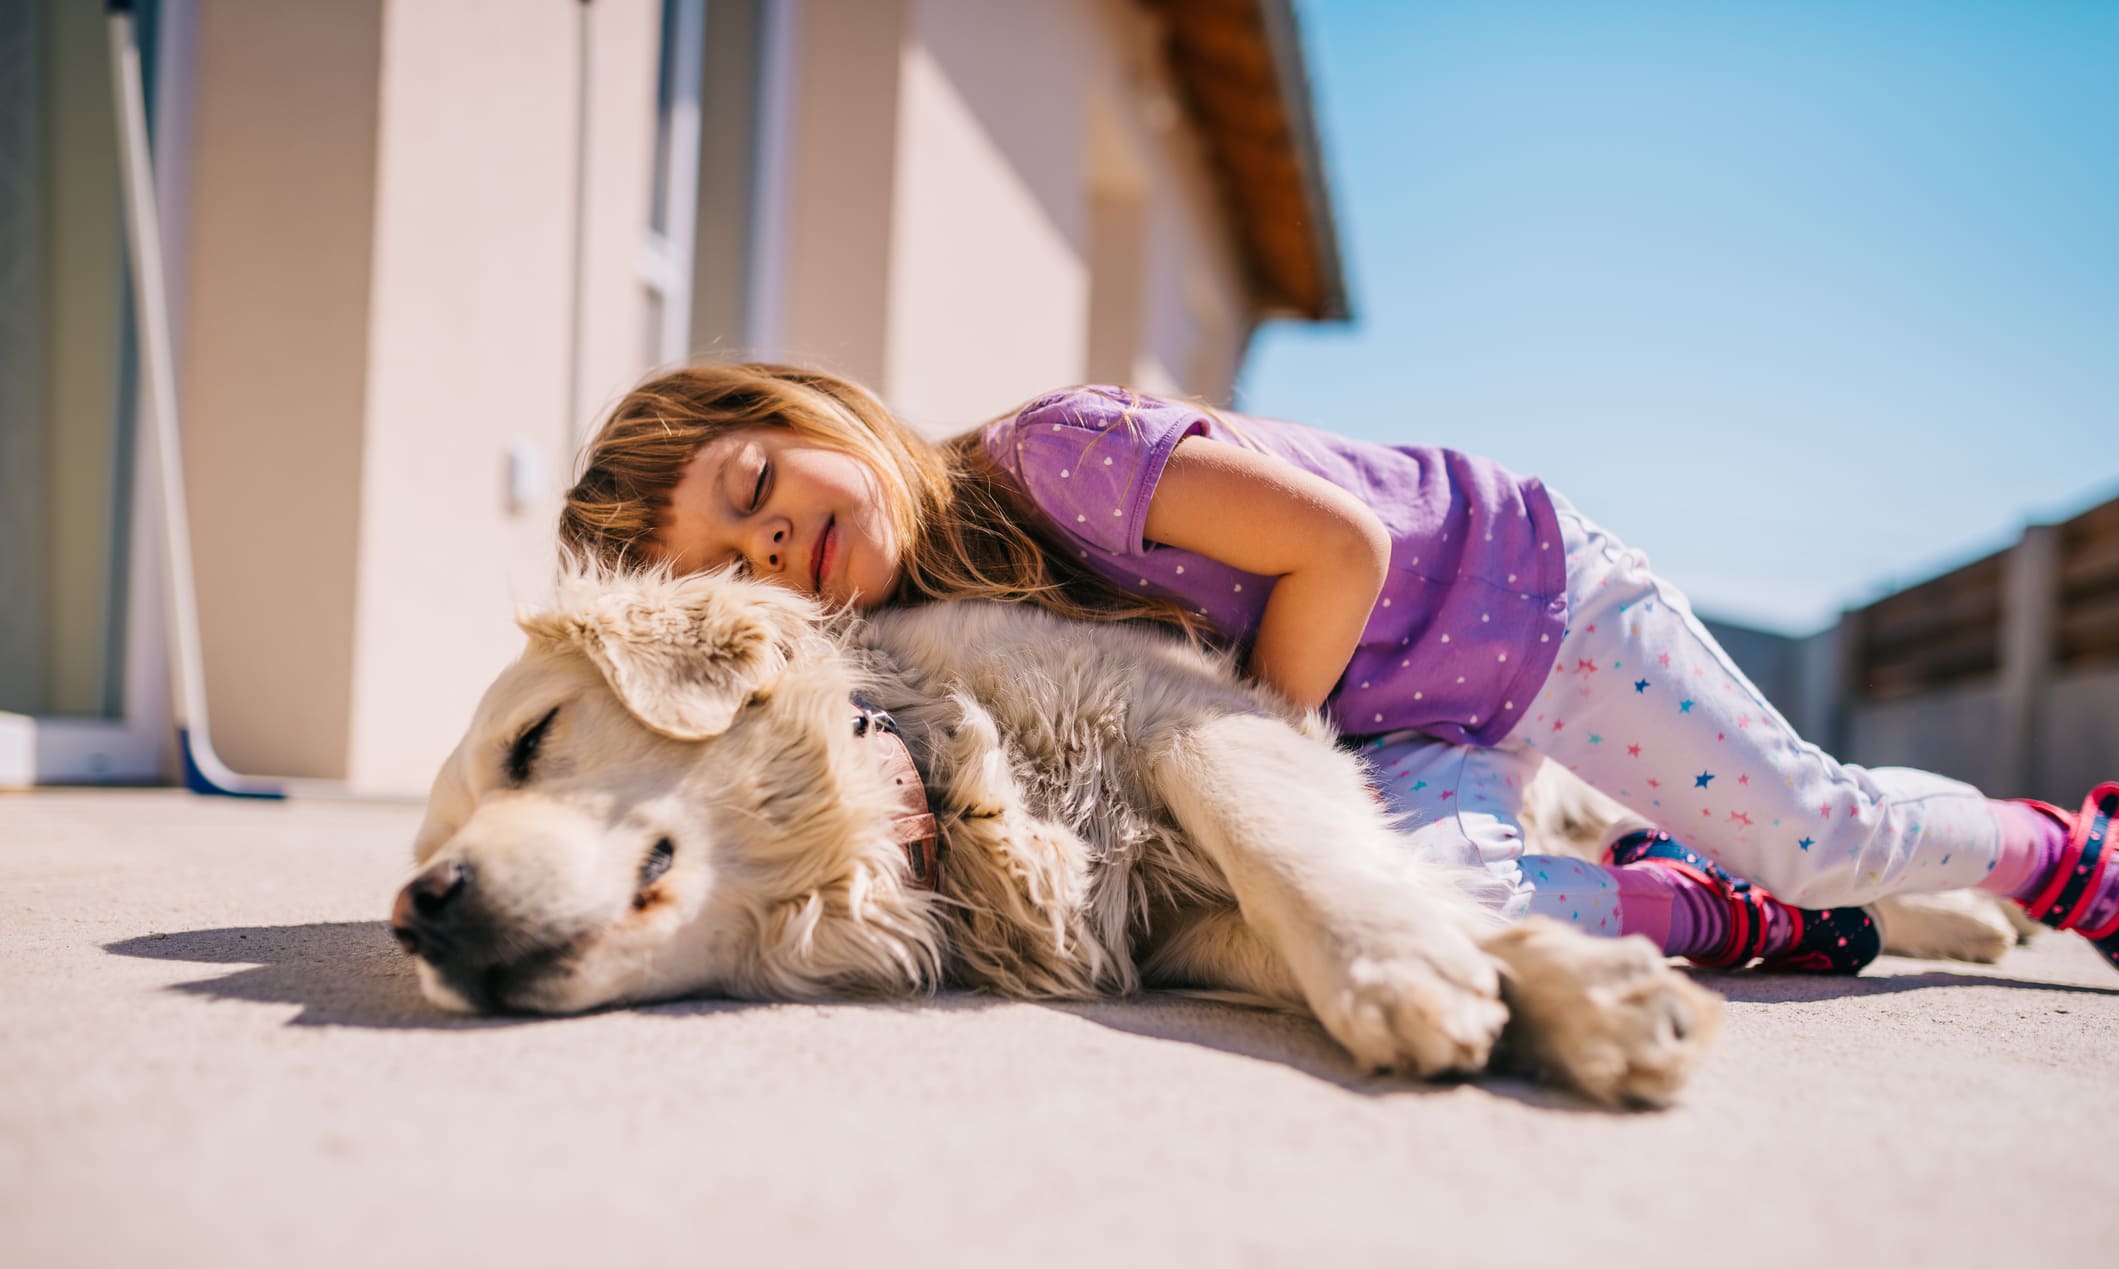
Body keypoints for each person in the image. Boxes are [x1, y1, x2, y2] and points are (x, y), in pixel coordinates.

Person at [558, 362, 2119, 975]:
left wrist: (1274, 765)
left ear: (808, 410)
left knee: (1814, 818)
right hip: (1389, 720)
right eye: (733, 570)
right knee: (1449, 909)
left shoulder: (1052, 461)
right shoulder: (920, 614)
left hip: (1528, 607)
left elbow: (1341, 556)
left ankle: (2066, 845)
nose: (779, 551)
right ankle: (1712, 904)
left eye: (760, 489)